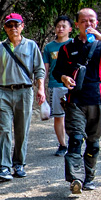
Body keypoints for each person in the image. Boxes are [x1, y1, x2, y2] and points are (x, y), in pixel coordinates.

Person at [52, 7, 101, 193]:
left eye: (92, 21)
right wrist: (64, 78)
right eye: (84, 21)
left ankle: (89, 177)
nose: (88, 24)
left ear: (97, 23)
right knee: (75, 139)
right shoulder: (67, 47)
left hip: (99, 99)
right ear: (77, 25)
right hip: (75, 100)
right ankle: (75, 179)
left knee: (93, 141)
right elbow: (57, 71)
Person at [0, 12, 45, 182]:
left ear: (22, 26)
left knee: (21, 130)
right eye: (9, 25)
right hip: (3, 92)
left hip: (24, 92)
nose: (13, 28)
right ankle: (3, 167)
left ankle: (19, 164)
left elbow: (39, 69)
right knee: (4, 130)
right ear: (5, 28)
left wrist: (41, 89)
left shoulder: (31, 46)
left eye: (16, 25)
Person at [41, 16, 73, 156]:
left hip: (74, 85)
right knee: (59, 116)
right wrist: (41, 85)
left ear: (70, 29)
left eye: (63, 26)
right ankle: (62, 145)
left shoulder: (74, 44)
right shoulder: (49, 47)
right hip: (55, 85)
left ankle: (75, 143)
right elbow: (45, 69)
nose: (60, 29)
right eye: (58, 26)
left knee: (74, 115)